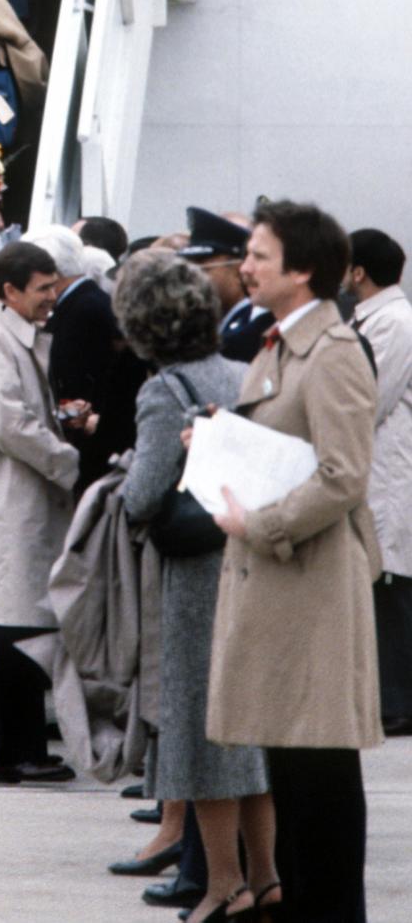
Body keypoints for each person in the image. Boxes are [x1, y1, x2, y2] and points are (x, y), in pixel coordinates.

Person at [207, 201, 381, 923]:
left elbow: (344, 475)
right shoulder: (281, 344)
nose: (243, 267)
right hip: (281, 583)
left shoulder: (333, 352)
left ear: (302, 271)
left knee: (320, 775)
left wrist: (261, 522)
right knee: (293, 770)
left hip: (307, 584)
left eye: (258, 256)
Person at [114, 252, 278, 923]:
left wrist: (128, 478)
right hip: (255, 564)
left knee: (203, 735)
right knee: (253, 736)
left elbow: (144, 493)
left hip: (196, 579)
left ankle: (224, 885)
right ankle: (267, 879)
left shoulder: (163, 389)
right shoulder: (247, 373)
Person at [0, 240, 82, 784]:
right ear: (10, 291)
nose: (54, 296)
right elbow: (8, 424)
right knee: (16, 624)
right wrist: (69, 459)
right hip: (8, 501)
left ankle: (23, 748)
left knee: (24, 620)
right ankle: (11, 753)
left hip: (22, 499)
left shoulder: (13, 336)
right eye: (44, 288)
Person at [345, 227, 412, 736]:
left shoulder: (392, 322)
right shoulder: (375, 318)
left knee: (391, 583)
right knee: (381, 582)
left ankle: (398, 700)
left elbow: (370, 397)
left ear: (359, 271)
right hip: (378, 473)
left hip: (388, 473)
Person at [28, 224, 140, 491]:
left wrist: (67, 416)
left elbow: (77, 383)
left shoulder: (83, 310)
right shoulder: (83, 302)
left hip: (89, 446)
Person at [181, 206, 271, 362]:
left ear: (239, 271)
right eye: (188, 270)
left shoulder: (251, 334)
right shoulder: (208, 326)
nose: (191, 280)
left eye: (203, 269)